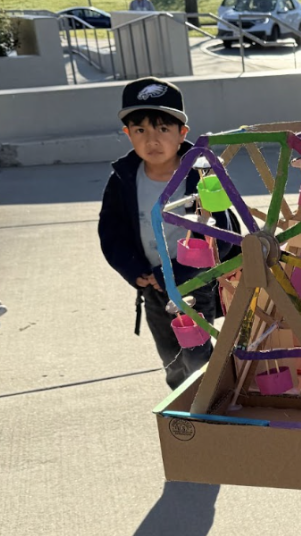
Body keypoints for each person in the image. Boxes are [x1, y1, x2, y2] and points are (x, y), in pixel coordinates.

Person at [98, 77, 225, 390]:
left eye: (163, 129)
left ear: (183, 133)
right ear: (127, 134)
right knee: (171, 361)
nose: (151, 140)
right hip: (152, 288)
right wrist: (133, 269)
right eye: (140, 130)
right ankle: (182, 412)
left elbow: (223, 232)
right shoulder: (123, 178)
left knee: (199, 361)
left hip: (194, 284)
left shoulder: (202, 176)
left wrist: (179, 270)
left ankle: (208, 412)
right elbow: (111, 231)